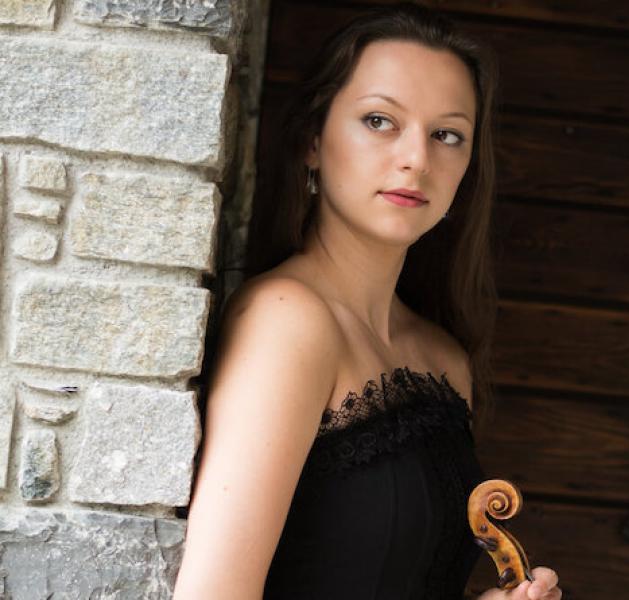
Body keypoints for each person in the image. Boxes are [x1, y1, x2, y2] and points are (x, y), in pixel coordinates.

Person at [172, 3, 562, 599]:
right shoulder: (288, 320)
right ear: (312, 141)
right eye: (380, 121)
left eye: (447, 134)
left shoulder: (443, 360)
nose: (417, 158)